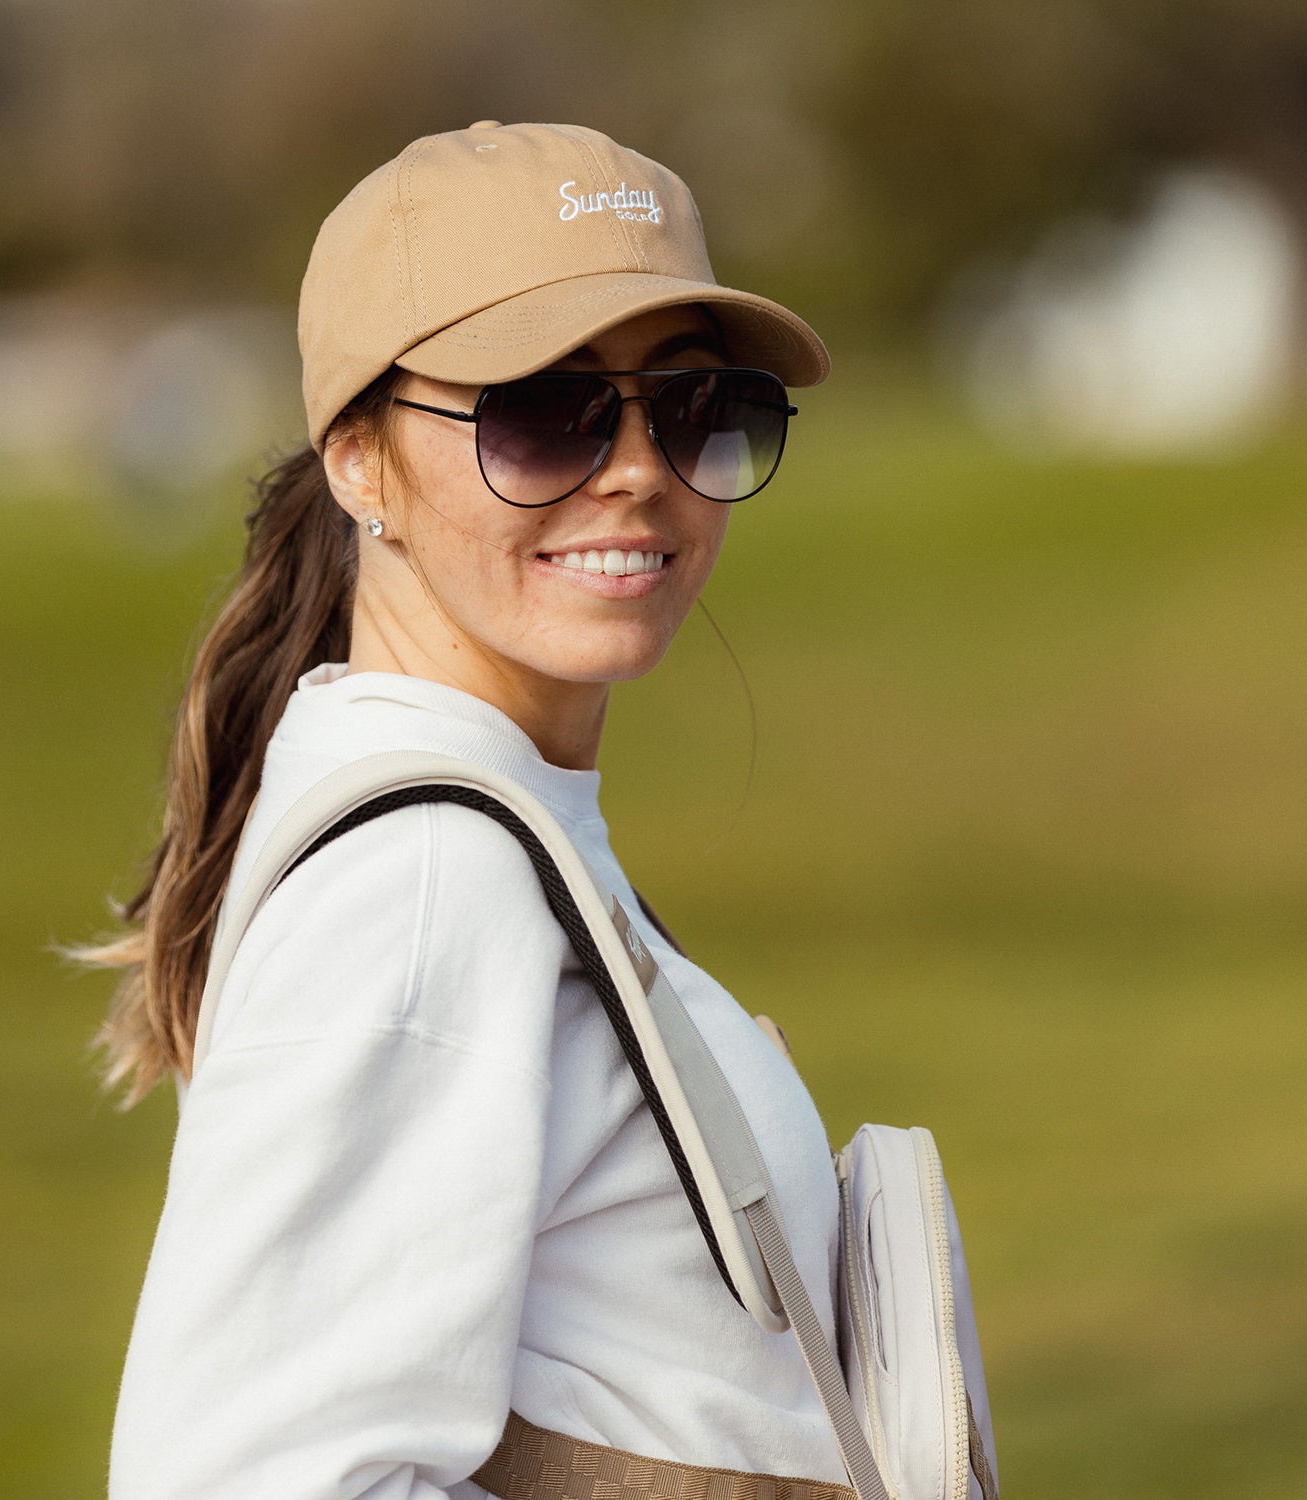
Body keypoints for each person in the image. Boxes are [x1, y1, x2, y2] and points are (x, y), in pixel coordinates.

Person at [92, 121, 842, 1498]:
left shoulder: (491, 821)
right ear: (359, 458)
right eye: (544, 410)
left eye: (690, 407)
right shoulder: (427, 879)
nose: (635, 469)